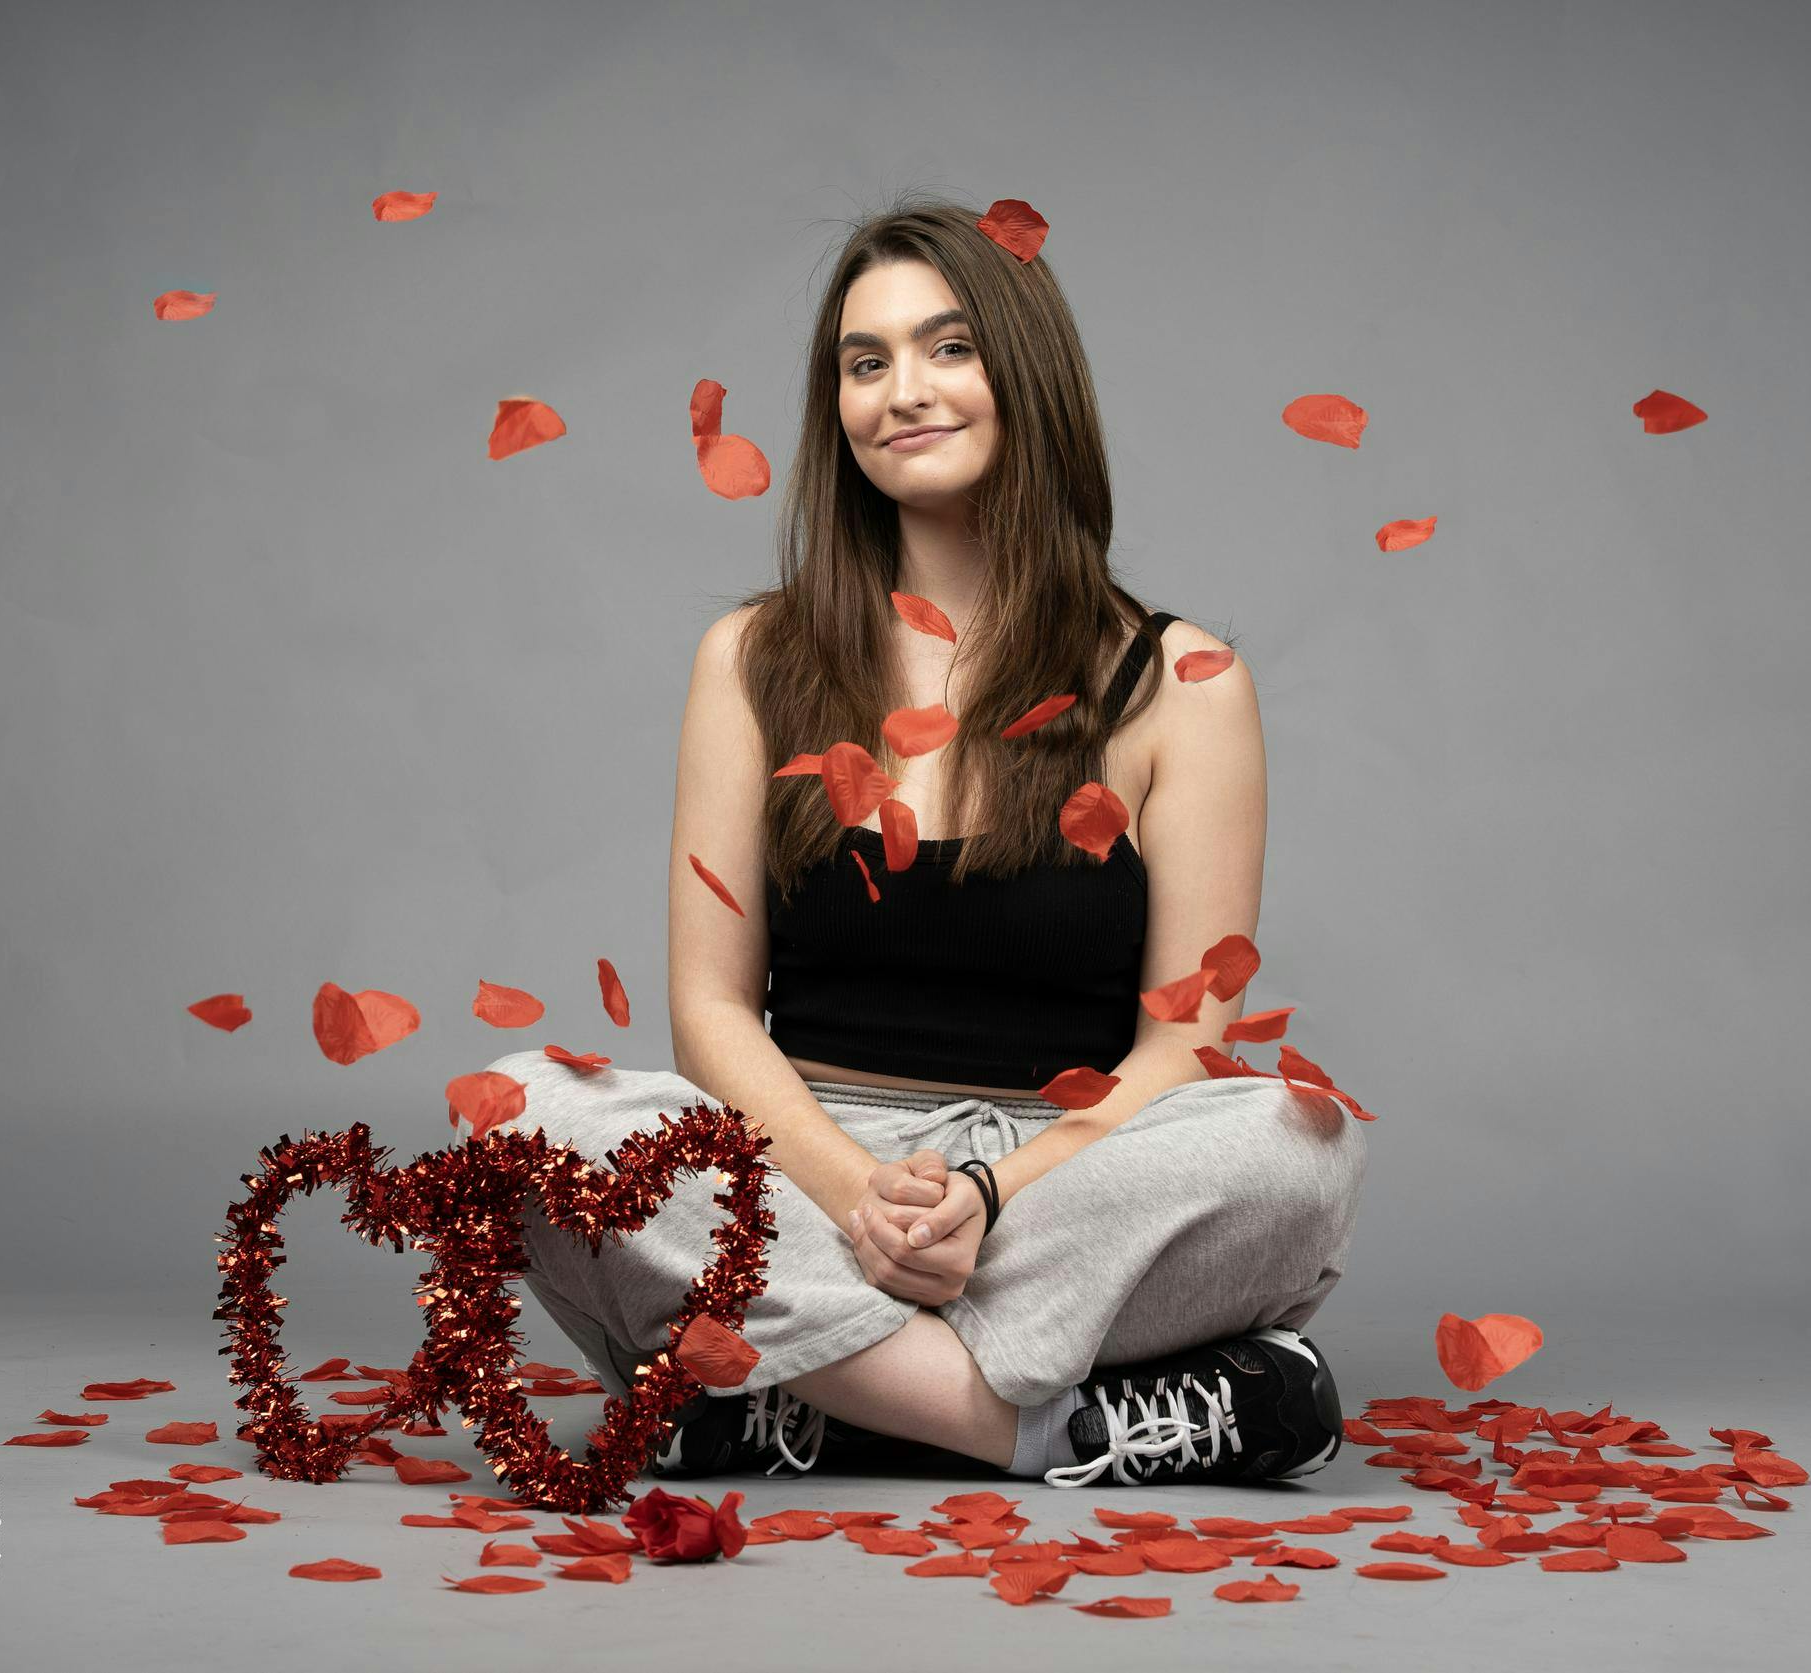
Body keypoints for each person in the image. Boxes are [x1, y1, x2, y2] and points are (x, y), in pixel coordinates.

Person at [492, 194, 1369, 1489]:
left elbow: (1186, 1043)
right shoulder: (751, 658)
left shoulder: (1183, 681)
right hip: (806, 1164)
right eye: (865, 361)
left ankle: (814, 1396)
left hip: (1060, 1185)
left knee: (1300, 1149)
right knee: (528, 1118)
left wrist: (994, 1202)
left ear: (1028, 376)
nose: (903, 389)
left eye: (947, 347)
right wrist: (854, 1193)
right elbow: (710, 1012)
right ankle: (1032, 1422)